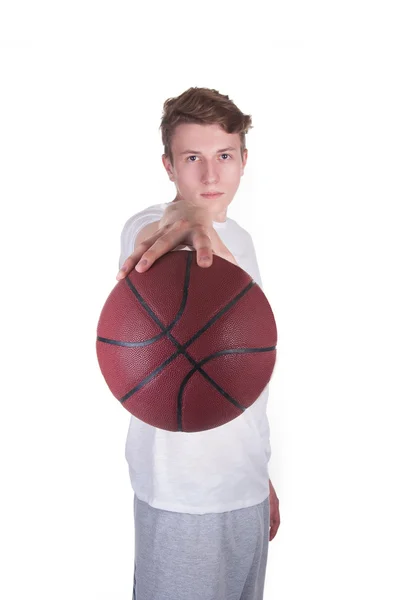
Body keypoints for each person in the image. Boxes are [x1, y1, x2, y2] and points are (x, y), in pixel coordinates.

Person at [116, 87, 280, 600]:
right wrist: (184, 220)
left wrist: (262, 474)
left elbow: (240, 374)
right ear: (169, 166)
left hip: (245, 490)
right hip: (181, 498)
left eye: (224, 156)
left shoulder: (244, 240)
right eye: (193, 159)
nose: (211, 176)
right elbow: (162, 229)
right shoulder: (148, 232)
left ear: (243, 160)